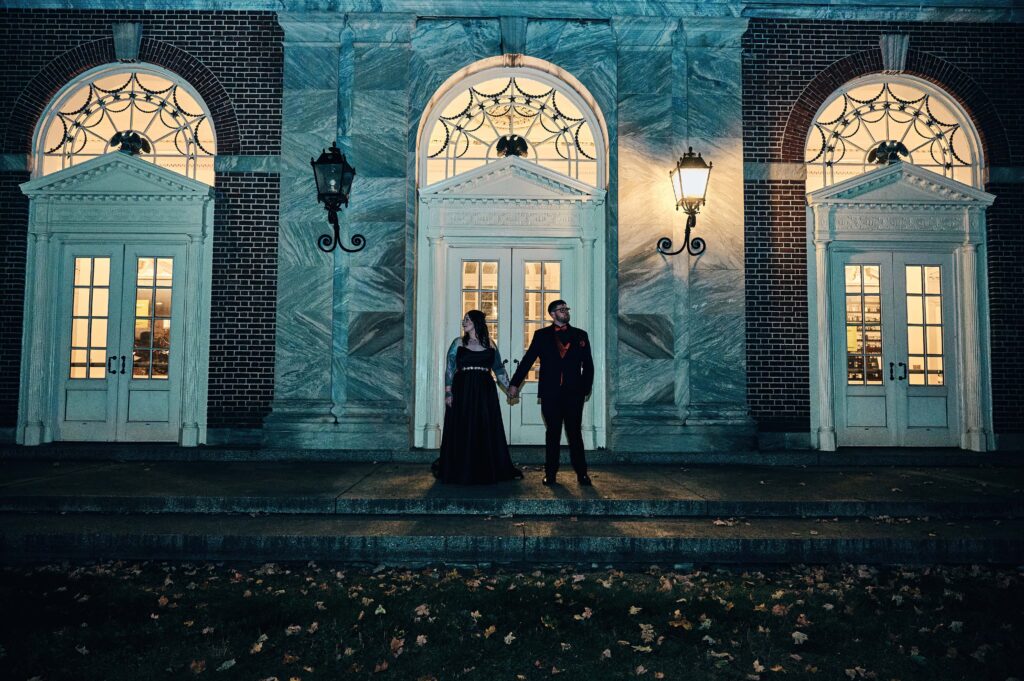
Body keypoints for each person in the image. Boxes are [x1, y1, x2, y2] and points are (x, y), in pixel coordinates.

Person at [508, 300, 594, 486]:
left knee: (574, 434)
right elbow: (527, 360)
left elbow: (588, 366)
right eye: (561, 310)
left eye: (566, 309)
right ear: (552, 314)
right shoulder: (541, 336)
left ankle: (582, 474)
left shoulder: (580, 335)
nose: (565, 312)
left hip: (574, 394)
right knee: (552, 433)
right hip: (550, 393)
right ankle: (551, 474)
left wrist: (585, 389)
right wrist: (515, 384)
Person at [432, 310, 523, 484]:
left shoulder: (490, 344)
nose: (464, 322)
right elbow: (450, 368)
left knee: (484, 426)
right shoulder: (458, 343)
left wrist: (510, 388)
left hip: (484, 391)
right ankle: (460, 467)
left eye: (467, 319)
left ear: (477, 322)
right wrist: (448, 392)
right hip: (463, 389)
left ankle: (484, 467)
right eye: (464, 319)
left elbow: (498, 369)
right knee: (463, 425)